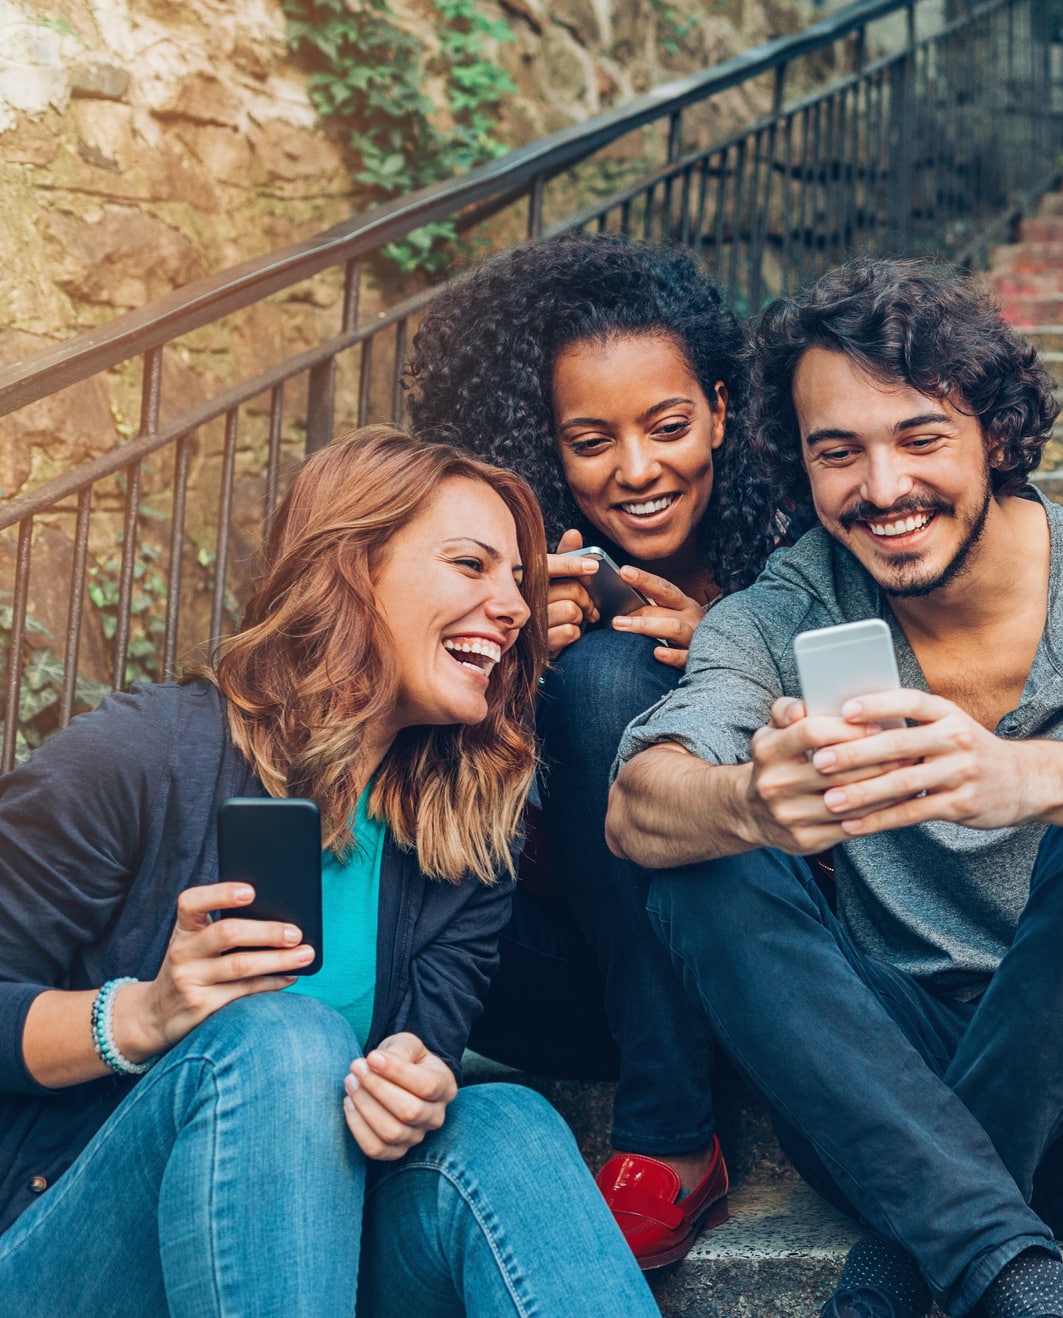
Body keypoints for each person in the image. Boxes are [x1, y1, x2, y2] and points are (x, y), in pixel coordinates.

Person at [604, 258, 1063, 1318]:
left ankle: (893, 1279)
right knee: (703, 867)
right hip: (887, 1099)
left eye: (920, 438)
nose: (883, 489)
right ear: (802, 470)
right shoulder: (782, 608)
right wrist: (750, 802)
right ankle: (1014, 1276)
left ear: (998, 437)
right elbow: (638, 800)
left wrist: (1021, 775)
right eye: (840, 454)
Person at [0, 427, 656, 1315]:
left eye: (518, 580)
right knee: (285, 1040)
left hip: (299, 1255)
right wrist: (143, 1015)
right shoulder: (143, 754)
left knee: (506, 1120)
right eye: (471, 564)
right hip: (62, 1254)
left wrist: (413, 1090)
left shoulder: (460, 832)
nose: (511, 605)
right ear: (352, 567)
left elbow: (420, 1052)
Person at [405, 233, 790, 1265]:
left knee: (615, 676)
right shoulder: (507, 581)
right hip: (584, 979)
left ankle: (669, 1138)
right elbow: (469, 854)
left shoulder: (802, 551)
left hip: (768, 958)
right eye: (591, 440)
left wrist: (731, 651)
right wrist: (504, 677)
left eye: (667, 426)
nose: (636, 470)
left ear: (719, 407)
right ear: (549, 446)